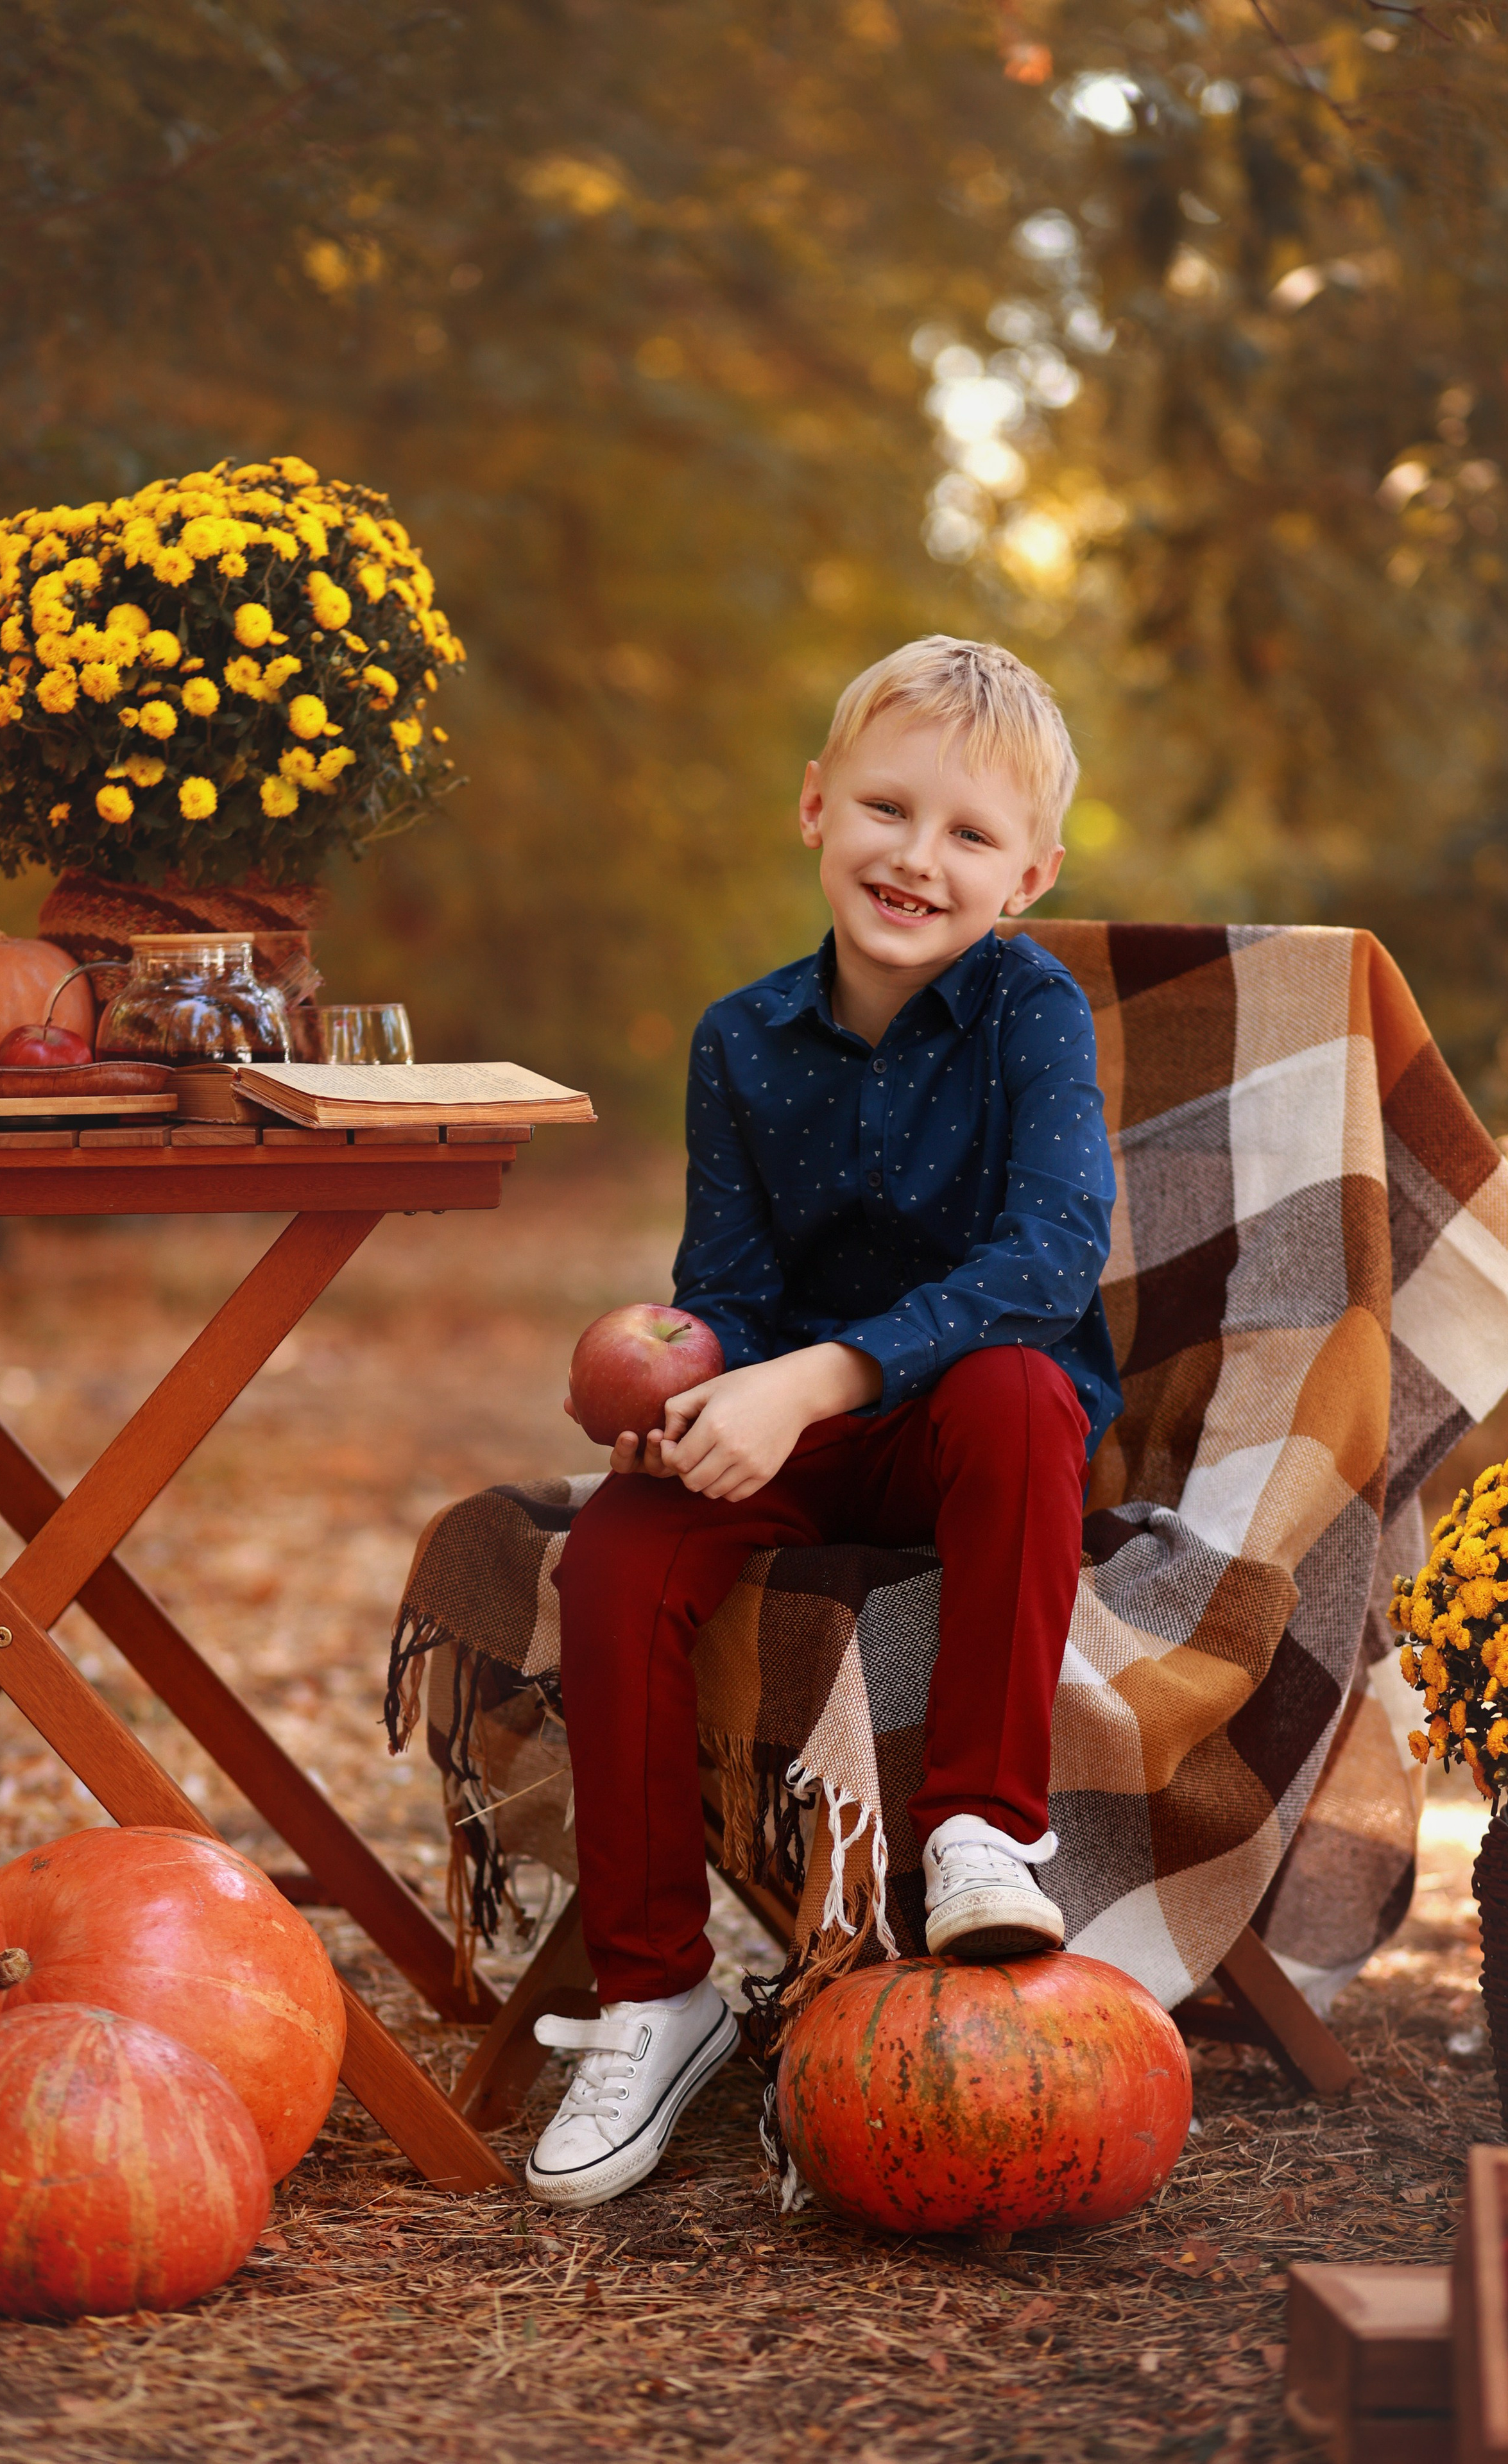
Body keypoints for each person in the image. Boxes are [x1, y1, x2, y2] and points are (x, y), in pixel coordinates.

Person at [526, 635, 1119, 2211]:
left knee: (1014, 1385)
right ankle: (656, 1996)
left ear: (1029, 876)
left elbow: (1049, 1261)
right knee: (614, 1554)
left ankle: (982, 1835)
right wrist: (689, 1374)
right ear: (812, 807)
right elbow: (724, 1285)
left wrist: (819, 1374)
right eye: (885, 808)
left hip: (972, 1436)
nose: (917, 859)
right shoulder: (739, 1039)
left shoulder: (1028, 1019)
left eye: (970, 835)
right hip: (798, 1433)